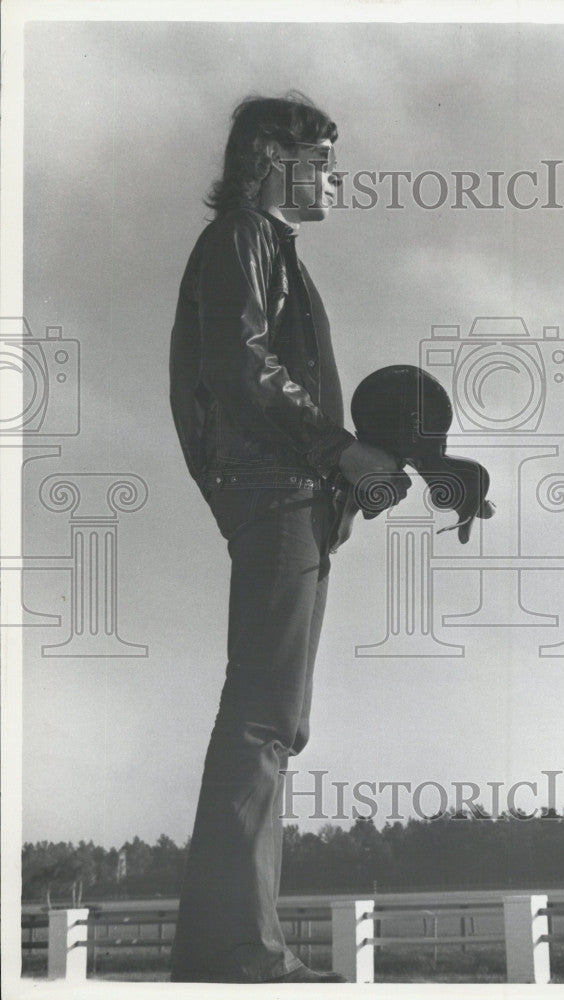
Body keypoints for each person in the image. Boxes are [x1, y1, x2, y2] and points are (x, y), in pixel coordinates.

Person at [168, 92, 405, 984]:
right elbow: (241, 365)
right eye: (324, 160)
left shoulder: (268, 247)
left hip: (293, 490)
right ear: (273, 153)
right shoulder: (245, 236)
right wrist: (341, 448)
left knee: (275, 718)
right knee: (264, 717)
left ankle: (229, 942)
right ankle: (235, 948)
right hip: (274, 488)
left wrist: (350, 473)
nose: (335, 179)